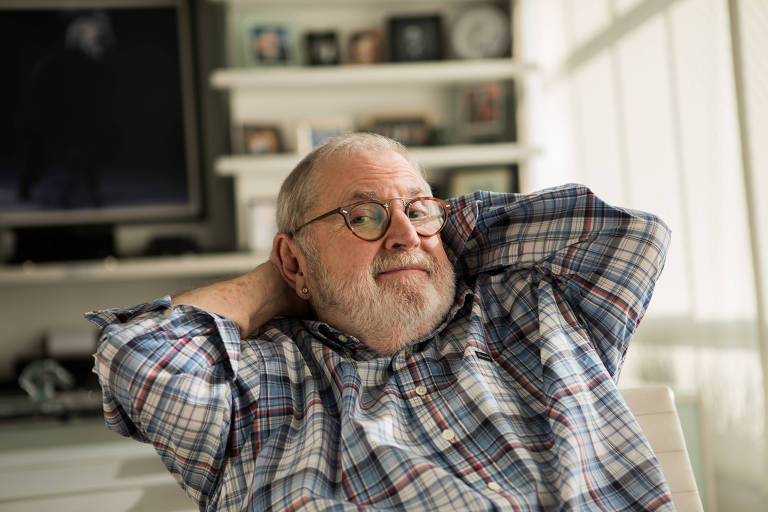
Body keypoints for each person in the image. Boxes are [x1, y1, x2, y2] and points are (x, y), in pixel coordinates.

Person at [87, 133, 674, 511]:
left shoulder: (532, 308)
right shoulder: (262, 387)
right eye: (361, 215)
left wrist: (425, 230)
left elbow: (632, 237)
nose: (401, 234)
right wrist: (283, 281)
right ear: (293, 257)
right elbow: (139, 356)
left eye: (419, 210)